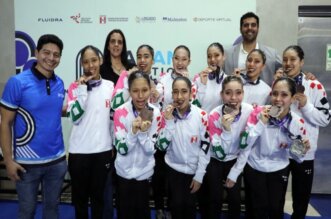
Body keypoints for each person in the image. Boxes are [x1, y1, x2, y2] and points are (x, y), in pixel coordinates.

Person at [0, 34, 67, 219]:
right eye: (46, 52)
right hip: (26, 165)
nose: (51, 58)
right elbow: (5, 123)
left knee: (52, 210)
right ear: (37, 52)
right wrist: (8, 160)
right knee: (27, 211)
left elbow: (51, 114)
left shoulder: (59, 83)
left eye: (56, 54)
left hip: (57, 162)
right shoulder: (17, 83)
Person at [241, 77, 310, 219]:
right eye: (274, 93)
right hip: (254, 166)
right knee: (255, 210)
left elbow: (298, 157)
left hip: (279, 168)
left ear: (292, 98)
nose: (278, 99)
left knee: (275, 209)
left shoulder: (297, 122)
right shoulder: (258, 112)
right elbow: (245, 142)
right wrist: (261, 123)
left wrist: (300, 148)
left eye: (284, 95)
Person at [275, 45, 330, 219]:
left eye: (293, 59)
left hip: (304, 151)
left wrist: (306, 105)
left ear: (302, 62)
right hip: (280, 150)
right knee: (276, 198)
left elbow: (325, 118)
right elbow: (272, 115)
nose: (288, 63)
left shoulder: (314, 85)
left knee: (300, 200)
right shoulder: (279, 84)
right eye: (285, 59)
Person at [66, 45, 114, 219]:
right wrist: (82, 91)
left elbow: (112, 119)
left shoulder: (110, 86)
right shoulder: (74, 87)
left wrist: (113, 143)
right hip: (79, 153)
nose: (90, 65)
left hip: (102, 152)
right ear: (82, 65)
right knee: (80, 202)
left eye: (94, 60)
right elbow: (75, 117)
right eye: (86, 62)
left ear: (100, 60)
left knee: (98, 201)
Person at [199, 76, 253, 219]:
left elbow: (247, 147)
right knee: (214, 198)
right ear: (221, 95)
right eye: (228, 93)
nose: (233, 97)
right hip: (215, 160)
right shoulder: (214, 116)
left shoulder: (249, 112)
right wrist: (227, 130)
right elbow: (220, 153)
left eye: (238, 92)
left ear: (243, 93)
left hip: (236, 160)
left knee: (235, 200)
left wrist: (235, 171)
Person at [156, 76, 210, 219]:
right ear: (171, 94)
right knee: (176, 207)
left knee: (190, 209)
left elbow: (206, 147)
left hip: (194, 171)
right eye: (175, 92)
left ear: (191, 93)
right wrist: (169, 123)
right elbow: (161, 146)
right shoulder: (166, 115)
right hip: (173, 170)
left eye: (184, 91)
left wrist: (199, 175)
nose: (179, 96)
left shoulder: (202, 115)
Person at [113, 71, 162, 219]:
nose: (140, 96)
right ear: (129, 91)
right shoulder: (120, 112)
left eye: (144, 90)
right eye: (135, 91)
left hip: (144, 174)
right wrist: (133, 132)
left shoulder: (156, 113)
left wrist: (142, 133)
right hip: (123, 174)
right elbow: (121, 149)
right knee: (124, 213)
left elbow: (150, 150)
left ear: (150, 90)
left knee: (142, 213)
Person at [224, 12, 282, 86]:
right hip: (235, 97)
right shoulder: (227, 54)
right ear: (240, 29)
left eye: (253, 25)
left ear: (258, 28)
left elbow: (286, 71)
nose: (250, 28)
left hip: (263, 97)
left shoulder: (272, 54)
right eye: (246, 25)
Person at [111, 44, 159, 110]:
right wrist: (129, 82)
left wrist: (156, 100)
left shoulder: (156, 83)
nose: (142, 60)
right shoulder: (126, 76)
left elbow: (156, 112)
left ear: (153, 60)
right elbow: (114, 105)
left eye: (146, 57)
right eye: (139, 57)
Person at [192, 42, 228, 113]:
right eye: (209, 56)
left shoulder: (228, 81)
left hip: (219, 123)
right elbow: (194, 107)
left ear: (223, 56)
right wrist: (202, 85)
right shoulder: (198, 79)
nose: (212, 59)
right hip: (201, 122)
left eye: (216, 55)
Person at [156, 45, 193, 111]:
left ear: (189, 62)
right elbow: (156, 101)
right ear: (172, 59)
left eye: (184, 59)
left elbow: (192, 107)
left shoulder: (193, 84)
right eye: (176, 58)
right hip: (166, 119)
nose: (179, 63)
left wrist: (186, 82)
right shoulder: (163, 78)